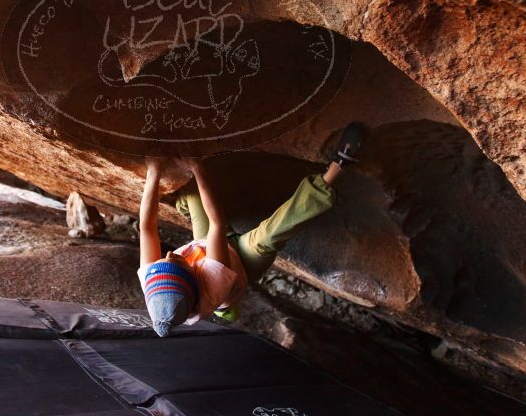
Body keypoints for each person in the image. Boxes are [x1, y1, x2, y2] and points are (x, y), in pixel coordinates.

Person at [138, 122, 366, 337]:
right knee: (271, 232)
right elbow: (216, 221)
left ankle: (188, 207)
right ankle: (335, 171)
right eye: (176, 262)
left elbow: (147, 228)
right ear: (193, 280)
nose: (168, 254)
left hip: (206, 248)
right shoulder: (212, 285)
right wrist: (197, 168)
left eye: (163, 260)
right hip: (241, 266)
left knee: (192, 195)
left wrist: (154, 170)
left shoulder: (155, 283)